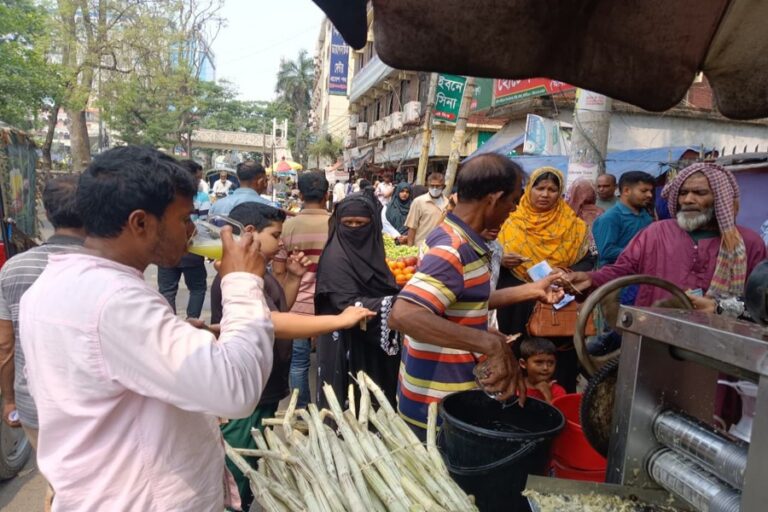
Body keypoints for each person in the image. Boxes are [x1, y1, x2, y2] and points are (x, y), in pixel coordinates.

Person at [19, 146, 274, 511]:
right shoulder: (114, 301)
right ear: (140, 223)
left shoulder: (57, 283)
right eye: (184, 218)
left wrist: (179, 335)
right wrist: (242, 284)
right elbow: (236, 390)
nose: (191, 230)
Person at [208, 201, 373, 510]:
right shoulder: (233, 277)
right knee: (238, 468)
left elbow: (278, 307)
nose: (281, 241)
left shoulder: (262, 271)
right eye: (275, 234)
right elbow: (271, 322)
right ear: (250, 233)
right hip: (249, 393)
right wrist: (338, 320)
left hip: (265, 385)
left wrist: (294, 278)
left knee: (253, 460)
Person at [389, 154, 564, 438]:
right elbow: (404, 314)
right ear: (494, 199)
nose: (514, 210)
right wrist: (490, 345)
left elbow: (464, 299)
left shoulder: (463, 239)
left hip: (448, 396)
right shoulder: (453, 250)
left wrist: (530, 290)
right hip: (434, 409)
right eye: (513, 202)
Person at [567, 162, 767, 308]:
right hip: (654, 338)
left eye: (699, 193)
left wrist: (719, 309)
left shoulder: (749, 243)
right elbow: (622, 270)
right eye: (683, 193)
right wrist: (590, 278)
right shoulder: (656, 232)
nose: (688, 199)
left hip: (719, 348)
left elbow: (759, 301)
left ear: (721, 199)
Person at [0, 176, 85, 511]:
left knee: (58, 481)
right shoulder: (108, 268)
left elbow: (6, 346)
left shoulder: (14, 269)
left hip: (33, 399)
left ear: (48, 213)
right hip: (88, 401)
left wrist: (9, 401)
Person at [495, 167, 592, 393]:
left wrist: (566, 272)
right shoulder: (509, 222)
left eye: (552, 189)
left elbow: (589, 262)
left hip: (557, 306)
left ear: (560, 193)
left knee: (557, 363)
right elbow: (485, 256)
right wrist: (500, 259)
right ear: (529, 190)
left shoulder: (575, 226)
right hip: (517, 305)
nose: (545, 194)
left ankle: (557, 404)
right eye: (539, 188)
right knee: (518, 356)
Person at [315, 192, 402, 407]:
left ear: (372, 225)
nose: (354, 228)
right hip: (347, 341)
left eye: (360, 223)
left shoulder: (373, 249)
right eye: (348, 223)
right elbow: (345, 303)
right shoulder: (335, 257)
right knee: (353, 402)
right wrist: (398, 302)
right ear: (339, 223)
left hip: (371, 339)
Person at [272, 171, 332, 408]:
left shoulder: (287, 226)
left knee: (298, 362)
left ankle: (300, 411)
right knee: (328, 361)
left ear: (300, 194)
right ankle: (328, 408)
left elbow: (278, 271)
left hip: (296, 303)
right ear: (326, 195)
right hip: (330, 306)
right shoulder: (336, 223)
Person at [156, 159, 209, 319]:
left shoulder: (163, 196)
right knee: (198, 288)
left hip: (165, 247)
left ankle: (169, 325)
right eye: (198, 178)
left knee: (167, 290)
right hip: (192, 248)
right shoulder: (201, 197)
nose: (200, 182)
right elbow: (203, 224)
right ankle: (191, 322)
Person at [592, 171, 655, 268]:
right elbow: (606, 251)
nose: (649, 195)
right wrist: (641, 252)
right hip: (617, 277)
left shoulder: (646, 216)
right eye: (644, 191)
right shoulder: (610, 218)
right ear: (626, 191)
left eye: (650, 191)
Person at [210, 160, 278, 216]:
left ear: (239, 179)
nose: (266, 185)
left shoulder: (216, 205)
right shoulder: (269, 207)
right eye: (266, 181)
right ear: (260, 182)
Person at [518, 337, 567, 404]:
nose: (545, 368)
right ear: (523, 363)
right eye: (539, 362)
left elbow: (557, 414)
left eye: (551, 363)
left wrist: (547, 394)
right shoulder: (516, 387)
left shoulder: (557, 391)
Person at [405, 172, 448, 246]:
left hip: (440, 246)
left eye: (438, 186)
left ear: (443, 187)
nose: (435, 189)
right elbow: (412, 228)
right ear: (428, 185)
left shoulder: (447, 203)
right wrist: (410, 248)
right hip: (421, 246)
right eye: (432, 186)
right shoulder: (419, 202)